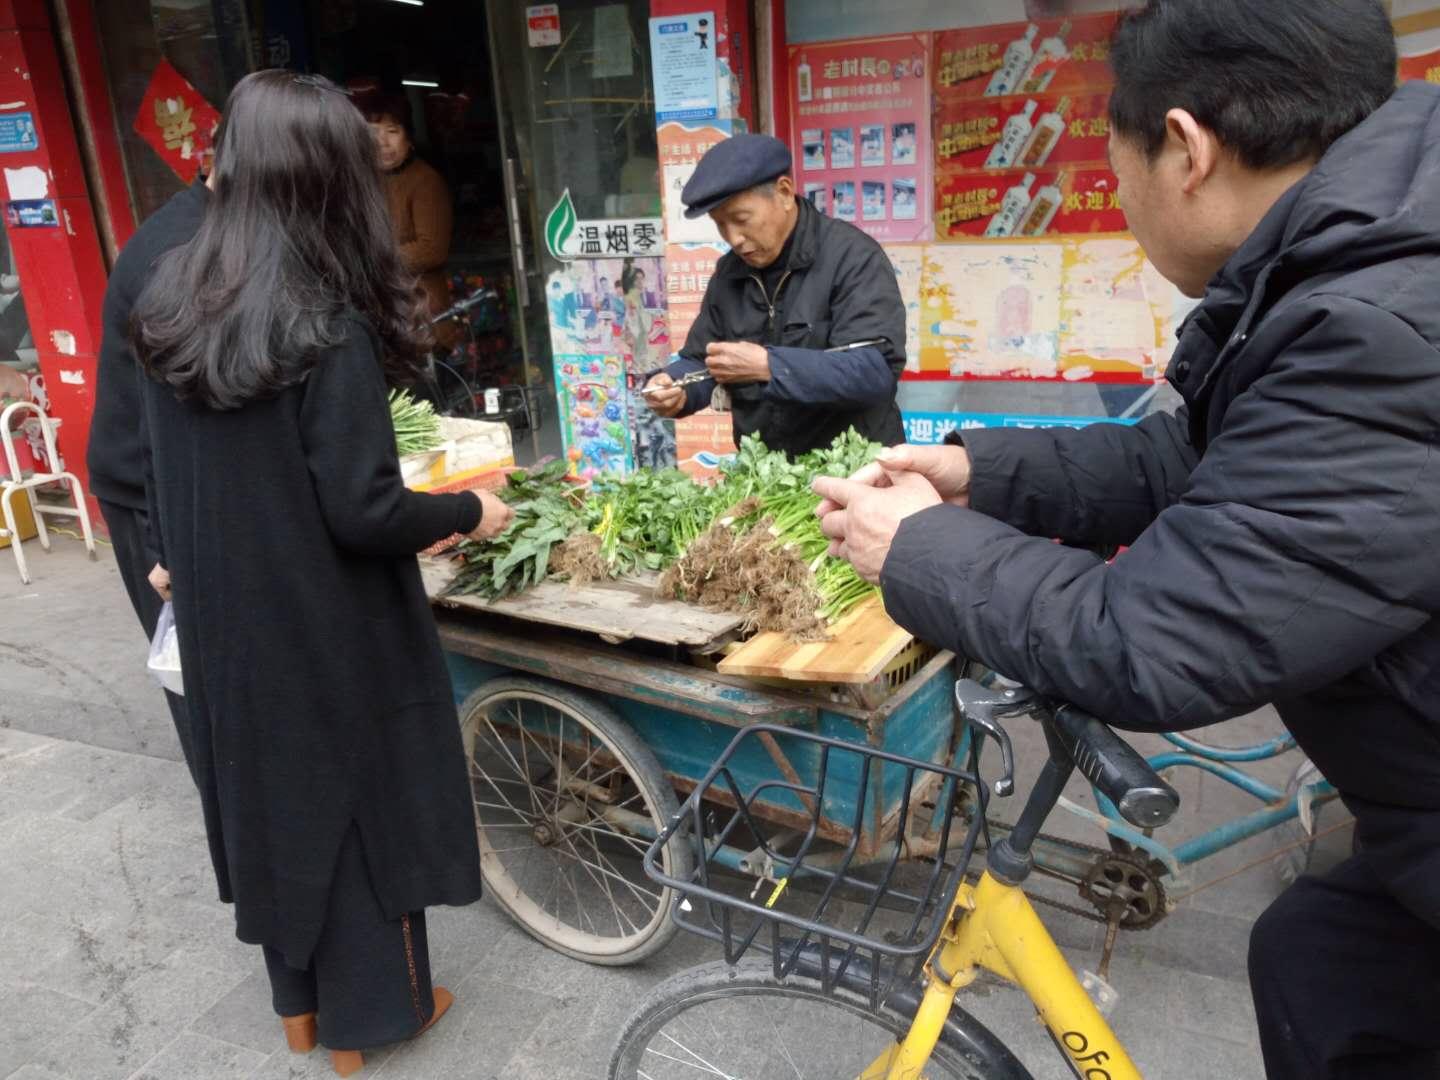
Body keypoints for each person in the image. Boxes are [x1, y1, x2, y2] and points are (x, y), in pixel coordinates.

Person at [816, 3, 1440, 1077]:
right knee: (1314, 960)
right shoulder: (1346, 261)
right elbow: (1199, 467)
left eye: (1115, 176)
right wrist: (977, 472)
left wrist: (914, 548)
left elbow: (1154, 640)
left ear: (1188, 150)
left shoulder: (1378, 320)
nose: (1121, 204)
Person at [129, 70, 514, 1077]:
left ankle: (298, 1013)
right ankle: (373, 1021)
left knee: (270, 811)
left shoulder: (175, 292)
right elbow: (365, 510)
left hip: (226, 617)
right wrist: (472, 509)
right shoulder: (319, 319)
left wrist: (174, 561)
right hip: (325, 625)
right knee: (359, 817)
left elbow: (158, 466)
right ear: (327, 178)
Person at [644, 134, 906, 458]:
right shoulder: (730, 273)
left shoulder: (852, 257)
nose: (734, 239)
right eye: (720, 225)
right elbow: (702, 359)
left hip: (858, 469)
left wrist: (770, 366)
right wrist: (675, 386)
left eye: (741, 220)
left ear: (783, 193)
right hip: (768, 476)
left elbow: (872, 371)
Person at [88, 171, 211, 772]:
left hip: (176, 475)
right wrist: (167, 547)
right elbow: (175, 410)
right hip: (144, 481)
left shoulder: (224, 225)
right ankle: (224, 803)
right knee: (191, 660)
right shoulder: (179, 251)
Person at [365, 92, 457, 347]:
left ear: (409, 136)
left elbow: (431, 249)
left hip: (422, 314)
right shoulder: (365, 182)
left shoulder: (425, 181)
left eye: (392, 131)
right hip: (382, 314)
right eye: (373, 132)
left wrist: (373, 261)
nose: (382, 142)